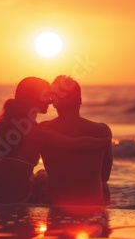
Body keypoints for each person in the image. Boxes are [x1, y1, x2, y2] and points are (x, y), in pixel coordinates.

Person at [0, 77, 111, 204]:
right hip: (23, 202)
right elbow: (79, 147)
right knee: (39, 176)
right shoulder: (41, 133)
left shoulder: (4, 126)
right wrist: (104, 141)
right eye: (46, 96)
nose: (49, 100)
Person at [38, 75, 113, 206]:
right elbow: (105, 176)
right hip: (94, 203)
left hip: (56, 202)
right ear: (80, 100)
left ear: (54, 102)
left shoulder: (43, 129)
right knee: (103, 184)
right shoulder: (102, 130)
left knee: (40, 175)